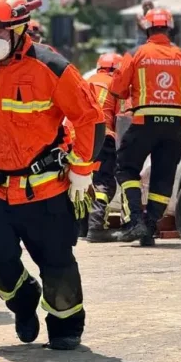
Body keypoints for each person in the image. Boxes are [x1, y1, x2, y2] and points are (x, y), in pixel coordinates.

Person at [0, 0, 104, 351]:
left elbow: (90, 117)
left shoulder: (51, 67)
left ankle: (65, 325)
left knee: (57, 264)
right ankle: (24, 300)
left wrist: (82, 170)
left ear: (19, 29)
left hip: (45, 191)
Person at [110, 8, 181, 246]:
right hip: (174, 125)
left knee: (126, 168)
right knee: (163, 178)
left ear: (146, 28)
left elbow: (117, 88)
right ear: (169, 28)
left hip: (144, 123)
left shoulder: (136, 53)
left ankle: (135, 221)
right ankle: (149, 228)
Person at [83, 53, 125, 243]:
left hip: (80, 137)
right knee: (104, 181)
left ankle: (81, 227)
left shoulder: (88, 80)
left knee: (81, 181)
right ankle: (96, 227)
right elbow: (121, 119)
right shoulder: (117, 85)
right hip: (103, 137)